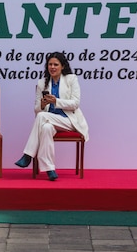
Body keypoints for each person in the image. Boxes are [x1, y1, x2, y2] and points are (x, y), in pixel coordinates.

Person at [15, 51, 89, 181]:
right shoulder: (42, 83)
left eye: (56, 64)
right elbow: (37, 110)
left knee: (43, 117)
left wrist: (56, 101)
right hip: (50, 120)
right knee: (46, 128)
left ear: (62, 66)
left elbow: (75, 104)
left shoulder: (71, 79)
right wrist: (42, 105)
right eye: (50, 64)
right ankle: (50, 169)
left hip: (69, 120)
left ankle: (28, 155)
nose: (52, 67)